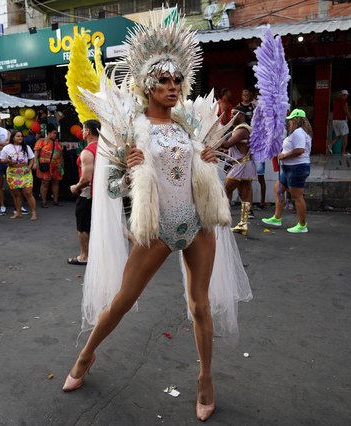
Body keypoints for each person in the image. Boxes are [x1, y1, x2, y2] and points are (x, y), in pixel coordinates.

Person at [63, 13, 252, 422]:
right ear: (148, 85)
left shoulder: (190, 126)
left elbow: (198, 174)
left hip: (197, 223)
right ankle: (86, 353)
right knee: (122, 301)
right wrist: (128, 171)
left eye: (177, 81)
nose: (172, 88)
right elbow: (110, 189)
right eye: (164, 81)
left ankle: (205, 379)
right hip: (158, 228)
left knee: (200, 305)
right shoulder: (130, 128)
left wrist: (207, 161)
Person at [262, 108, 312, 233]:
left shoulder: (299, 133)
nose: (289, 122)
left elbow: (300, 150)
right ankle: (277, 217)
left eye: (291, 120)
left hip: (297, 168)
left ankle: (302, 225)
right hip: (289, 168)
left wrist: (284, 156)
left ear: (296, 120)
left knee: (297, 197)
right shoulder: (298, 132)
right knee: (278, 189)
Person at [68, 120, 99, 265]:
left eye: (83, 129)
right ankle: (136, 242)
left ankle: (84, 256)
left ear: (87, 131)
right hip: (102, 193)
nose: (81, 132)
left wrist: (76, 186)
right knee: (111, 223)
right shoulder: (106, 149)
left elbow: (86, 178)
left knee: (82, 226)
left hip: (87, 194)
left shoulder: (88, 152)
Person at [222, 112, 255, 235]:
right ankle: (243, 224)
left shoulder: (242, 129)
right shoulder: (243, 129)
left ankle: (224, 220)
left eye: (234, 114)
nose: (231, 117)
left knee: (225, 191)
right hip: (245, 164)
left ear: (241, 115)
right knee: (244, 193)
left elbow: (227, 144)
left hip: (240, 165)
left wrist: (212, 137)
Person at [0, 129, 37, 220]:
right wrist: (7, 161)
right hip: (12, 172)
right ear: (13, 138)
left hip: (25, 171)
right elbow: (1, 160)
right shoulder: (6, 148)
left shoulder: (26, 147)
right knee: (16, 194)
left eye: (21, 136)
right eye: (18, 136)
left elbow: (32, 159)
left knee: (28, 193)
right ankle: (18, 212)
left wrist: (29, 168)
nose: (20, 138)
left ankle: (34, 213)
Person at [34, 124, 64, 208]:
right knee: (45, 183)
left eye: (56, 134)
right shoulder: (41, 141)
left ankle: (55, 200)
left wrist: (62, 166)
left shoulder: (57, 142)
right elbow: (36, 152)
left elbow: (61, 155)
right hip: (45, 165)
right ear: (49, 133)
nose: (55, 135)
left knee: (56, 182)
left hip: (57, 166)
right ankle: (43, 202)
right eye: (54, 133)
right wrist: (35, 163)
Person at [329, 89, 351, 157]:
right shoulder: (344, 102)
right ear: (343, 95)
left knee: (338, 136)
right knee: (345, 136)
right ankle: (343, 152)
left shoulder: (335, 101)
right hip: (341, 120)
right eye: (346, 95)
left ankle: (330, 145)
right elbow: (346, 112)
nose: (346, 96)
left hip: (335, 120)